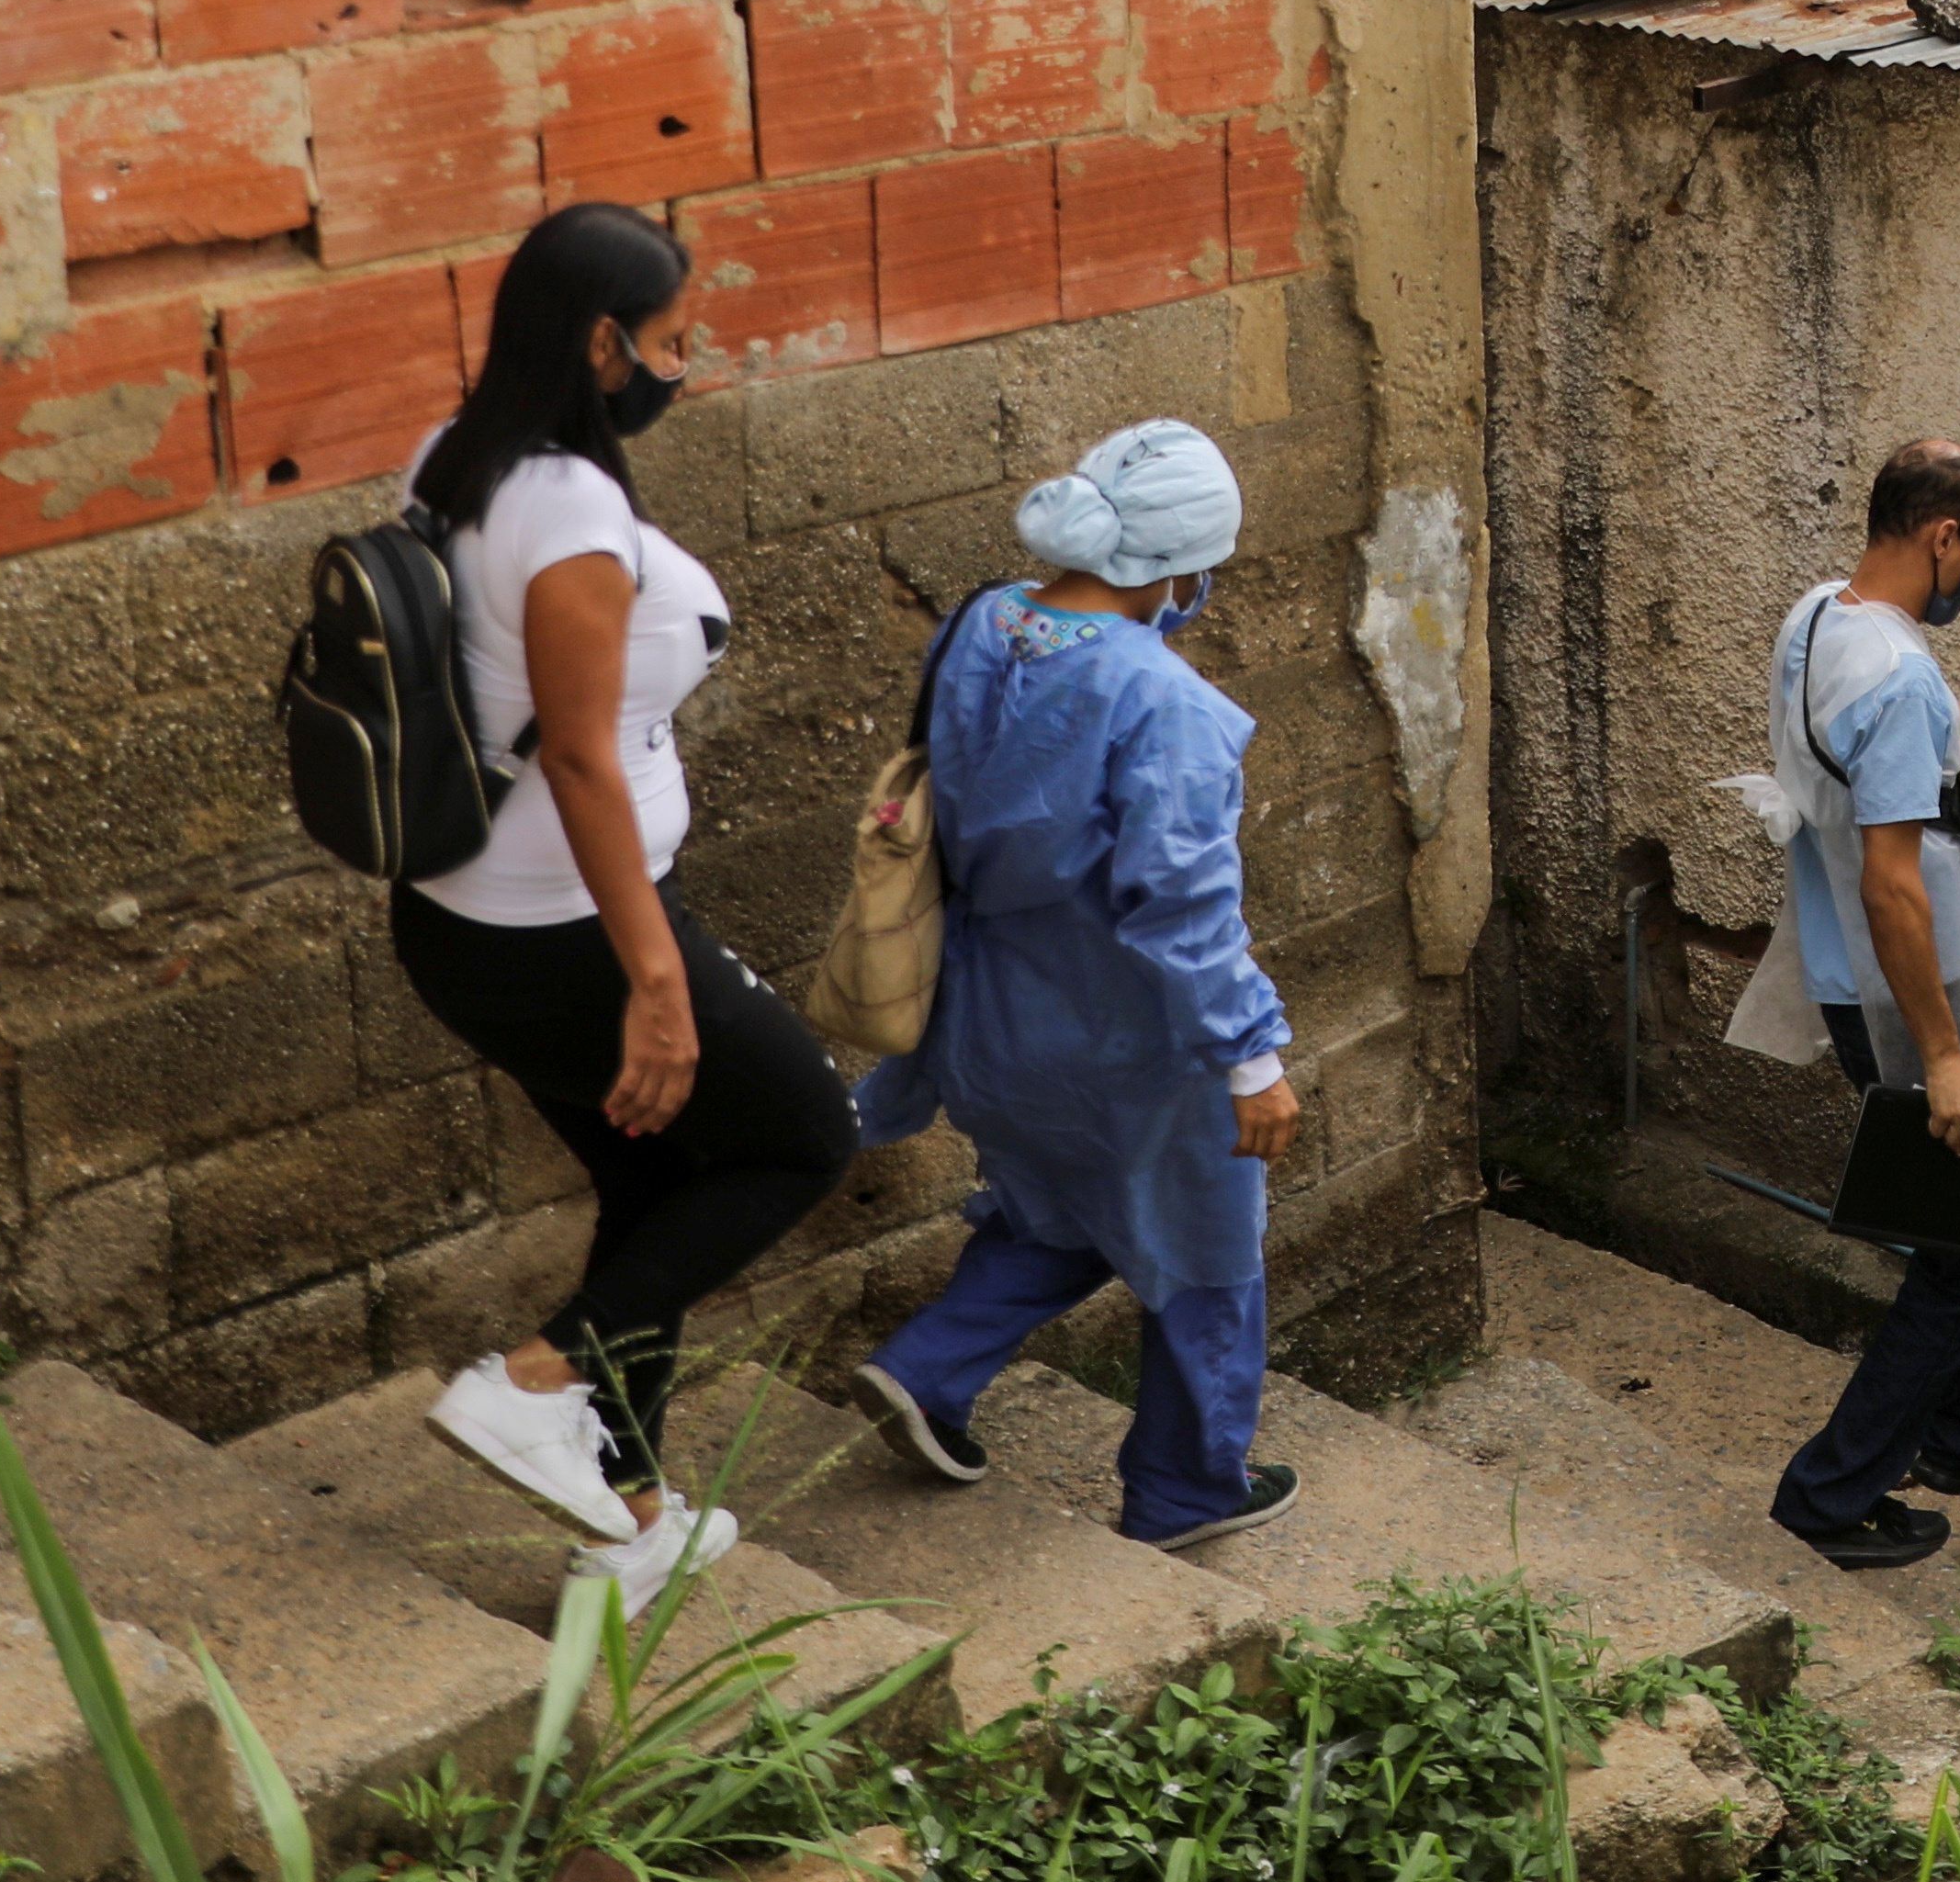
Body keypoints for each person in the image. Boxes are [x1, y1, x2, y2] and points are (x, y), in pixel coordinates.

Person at [390, 202, 855, 1609]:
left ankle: (636, 1520)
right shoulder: (571, 516)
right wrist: (657, 977)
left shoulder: (448, 459)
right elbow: (582, 754)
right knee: (800, 1139)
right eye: (666, 339)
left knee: (652, 1187)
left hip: (456, 924)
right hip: (568, 936)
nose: (682, 362)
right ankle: (533, 1383)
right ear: (601, 342)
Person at [839, 421, 1305, 1549]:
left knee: (1058, 1208)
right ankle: (1187, 1491)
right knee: (1206, 1251)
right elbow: (1180, 906)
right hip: (1126, 1041)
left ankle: (929, 1368)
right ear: (1185, 568)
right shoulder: (1165, 705)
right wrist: (1253, 1059)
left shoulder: (979, 626)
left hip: (985, 1017)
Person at [1750, 439, 1960, 1568]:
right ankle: (1829, 1496)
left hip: (1870, 969)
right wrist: (1943, 1056)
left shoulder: (1826, 619)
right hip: (1907, 986)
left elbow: (1929, 687)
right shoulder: (1889, 682)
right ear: (1942, 538)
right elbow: (1892, 884)